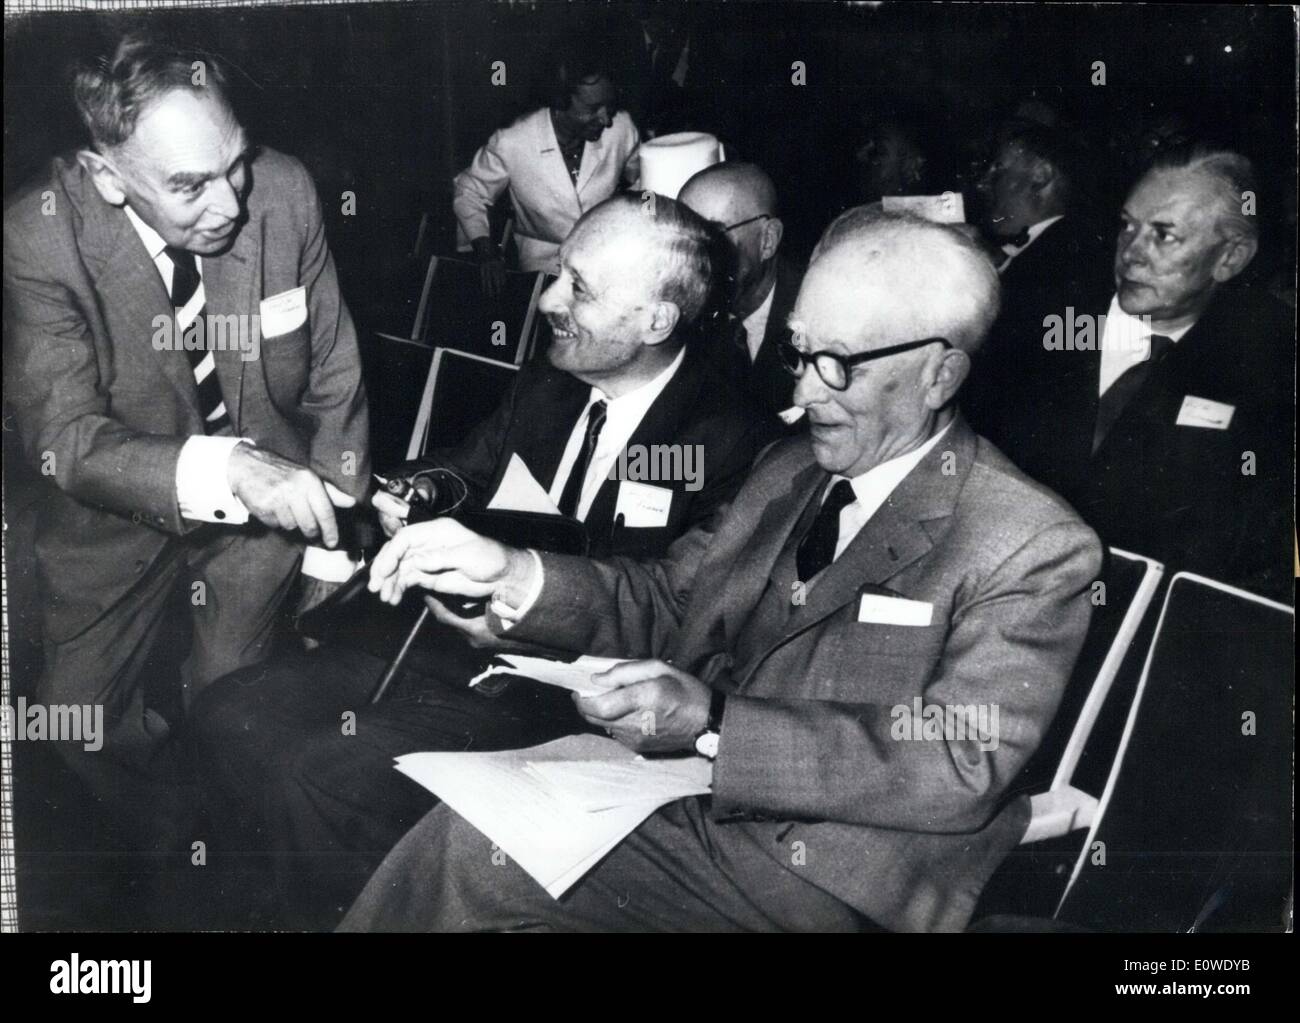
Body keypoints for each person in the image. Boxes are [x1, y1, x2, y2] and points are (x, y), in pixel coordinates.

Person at [338, 207, 1103, 933]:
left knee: (476, 854)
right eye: (797, 352)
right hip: (682, 797)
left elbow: (955, 757)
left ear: (941, 375)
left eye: (836, 366)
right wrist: (511, 573)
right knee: (459, 828)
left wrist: (717, 722)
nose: (802, 394)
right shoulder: (789, 468)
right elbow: (673, 596)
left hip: (840, 867)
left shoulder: (1028, 540)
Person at [189, 192, 767, 928]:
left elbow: (676, 617)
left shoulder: (731, 444)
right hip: (444, 651)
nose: (548, 297)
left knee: (320, 777)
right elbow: (471, 468)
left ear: (657, 320)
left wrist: (517, 580)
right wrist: (416, 490)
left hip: (568, 702)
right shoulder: (551, 384)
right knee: (224, 712)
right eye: (557, 271)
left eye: (578, 288)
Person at [1, 35, 369, 847]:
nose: (231, 205)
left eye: (233, 162)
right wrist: (227, 467)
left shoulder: (285, 191)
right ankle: (168, 837)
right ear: (105, 176)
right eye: (189, 185)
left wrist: (333, 533)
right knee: (76, 726)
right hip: (113, 518)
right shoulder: (34, 237)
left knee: (233, 711)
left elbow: (334, 372)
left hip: (269, 521)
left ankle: (226, 855)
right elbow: (63, 434)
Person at [990, 145, 1294, 600]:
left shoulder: (1264, 363)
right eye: (1127, 226)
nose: (1131, 253)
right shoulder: (1037, 319)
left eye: (1163, 235)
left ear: (1230, 258)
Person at [963, 125, 1112, 445]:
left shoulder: (1071, 265)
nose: (983, 182)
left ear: (1041, 176)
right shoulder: (1057, 254)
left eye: (998, 169)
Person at [453, 54, 640, 292]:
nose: (605, 118)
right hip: (543, 266)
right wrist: (486, 253)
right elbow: (469, 192)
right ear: (559, 103)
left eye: (609, 106)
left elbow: (643, 182)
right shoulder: (513, 141)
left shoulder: (622, 128)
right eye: (593, 109)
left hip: (608, 258)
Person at [679, 162, 803, 419]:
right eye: (686, 239)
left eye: (713, 236)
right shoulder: (682, 312)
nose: (694, 259)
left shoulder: (818, 313)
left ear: (767, 240)